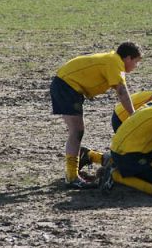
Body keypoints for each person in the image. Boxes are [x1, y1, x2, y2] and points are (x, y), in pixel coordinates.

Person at [50, 42, 141, 189]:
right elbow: (121, 91)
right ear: (128, 58)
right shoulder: (115, 62)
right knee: (77, 131)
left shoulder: (112, 59)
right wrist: (133, 115)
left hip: (65, 84)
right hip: (67, 85)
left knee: (77, 131)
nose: (136, 66)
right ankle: (72, 177)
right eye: (136, 62)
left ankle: (83, 161)